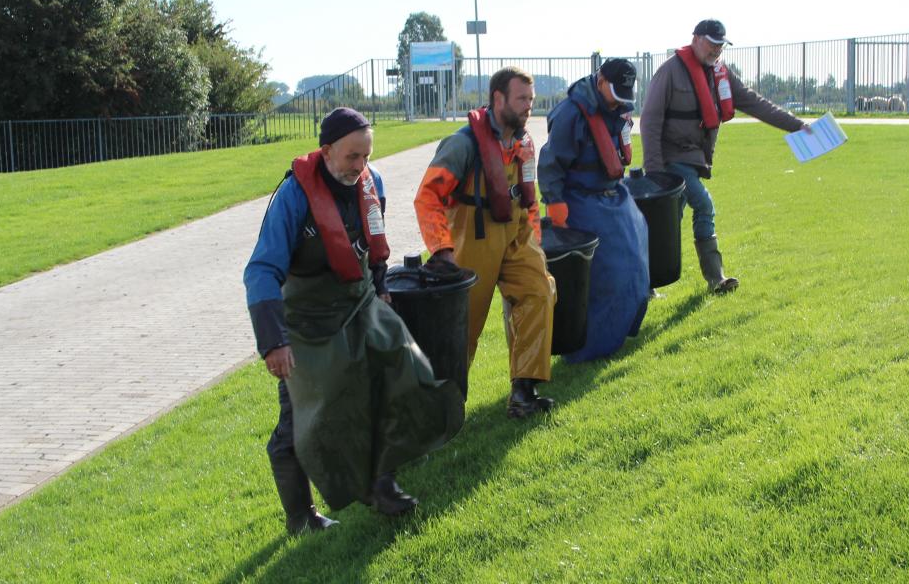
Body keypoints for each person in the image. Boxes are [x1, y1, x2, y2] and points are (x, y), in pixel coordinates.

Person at [243, 107, 464, 534]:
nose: (360, 167)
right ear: (326, 151)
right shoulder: (292, 198)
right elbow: (259, 272)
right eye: (351, 157)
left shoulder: (371, 182)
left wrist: (380, 288)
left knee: (398, 373)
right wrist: (274, 342)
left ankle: (381, 484)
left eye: (366, 156)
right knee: (304, 419)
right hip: (305, 321)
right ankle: (300, 516)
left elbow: (375, 242)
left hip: (359, 302)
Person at [414, 67, 558, 418]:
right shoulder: (463, 144)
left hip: (516, 234)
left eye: (532, 100)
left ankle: (524, 392)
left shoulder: (523, 143)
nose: (529, 107)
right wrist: (442, 250)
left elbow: (529, 198)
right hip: (471, 239)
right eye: (522, 99)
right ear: (498, 99)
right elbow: (427, 197)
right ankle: (441, 411)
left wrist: (534, 243)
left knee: (539, 291)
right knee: (461, 329)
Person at [640, 19, 811, 294]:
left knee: (668, 223)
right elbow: (649, 121)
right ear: (695, 39)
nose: (716, 50)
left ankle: (644, 284)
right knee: (704, 206)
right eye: (711, 43)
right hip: (671, 162)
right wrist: (655, 172)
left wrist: (797, 124)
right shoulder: (669, 71)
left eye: (721, 45)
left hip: (694, 162)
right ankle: (716, 279)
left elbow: (755, 103)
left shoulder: (720, 74)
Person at [537, 58, 650, 361]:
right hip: (582, 201)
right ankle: (590, 349)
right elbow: (550, 164)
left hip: (615, 195)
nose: (620, 98)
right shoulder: (570, 114)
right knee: (609, 273)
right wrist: (555, 204)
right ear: (600, 81)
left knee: (637, 262)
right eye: (616, 91)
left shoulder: (617, 109)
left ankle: (625, 329)